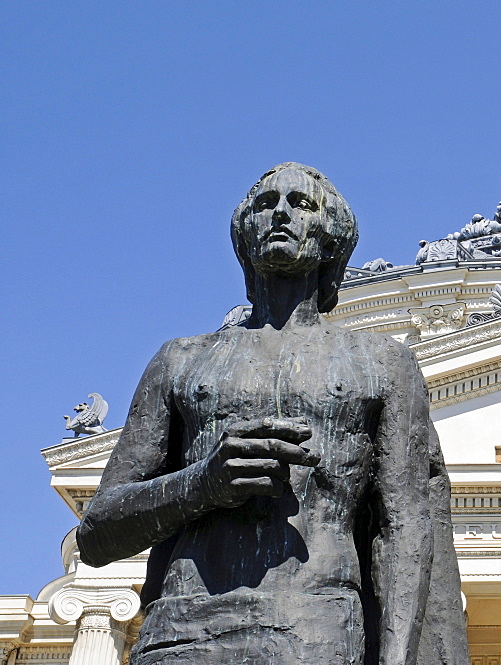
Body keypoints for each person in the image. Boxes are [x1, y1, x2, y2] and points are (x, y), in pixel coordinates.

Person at [78, 163, 469, 665]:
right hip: (181, 629)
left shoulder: (383, 363)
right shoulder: (181, 359)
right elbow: (96, 535)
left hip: (314, 628)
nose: (280, 212)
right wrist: (202, 484)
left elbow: (407, 529)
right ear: (244, 236)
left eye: (301, 204)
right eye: (266, 204)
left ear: (331, 240)